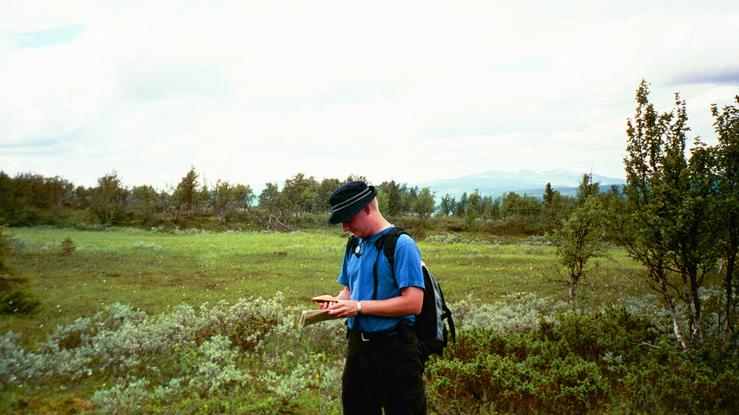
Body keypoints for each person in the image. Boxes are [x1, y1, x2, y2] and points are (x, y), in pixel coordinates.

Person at [319, 180, 427, 414]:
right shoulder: (354, 244)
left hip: (395, 349)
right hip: (357, 347)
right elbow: (350, 289)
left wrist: (357, 307)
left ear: (367, 209)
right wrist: (336, 303)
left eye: (349, 219)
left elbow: (413, 303)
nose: (345, 228)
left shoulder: (402, 244)